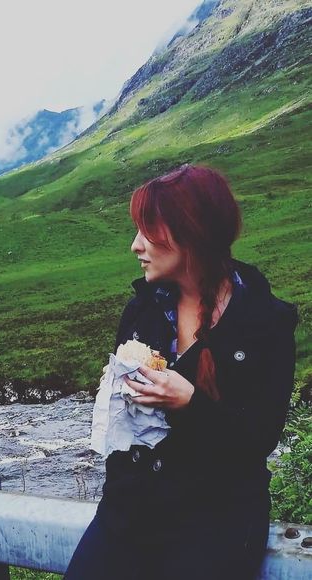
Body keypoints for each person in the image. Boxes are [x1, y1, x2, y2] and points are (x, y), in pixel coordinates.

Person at [64, 164, 298, 580]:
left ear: (191, 233)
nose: (135, 246)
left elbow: (258, 440)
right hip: (127, 517)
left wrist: (190, 403)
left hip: (214, 526)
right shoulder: (142, 309)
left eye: (147, 231)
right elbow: (125, 434)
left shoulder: (267, 322)